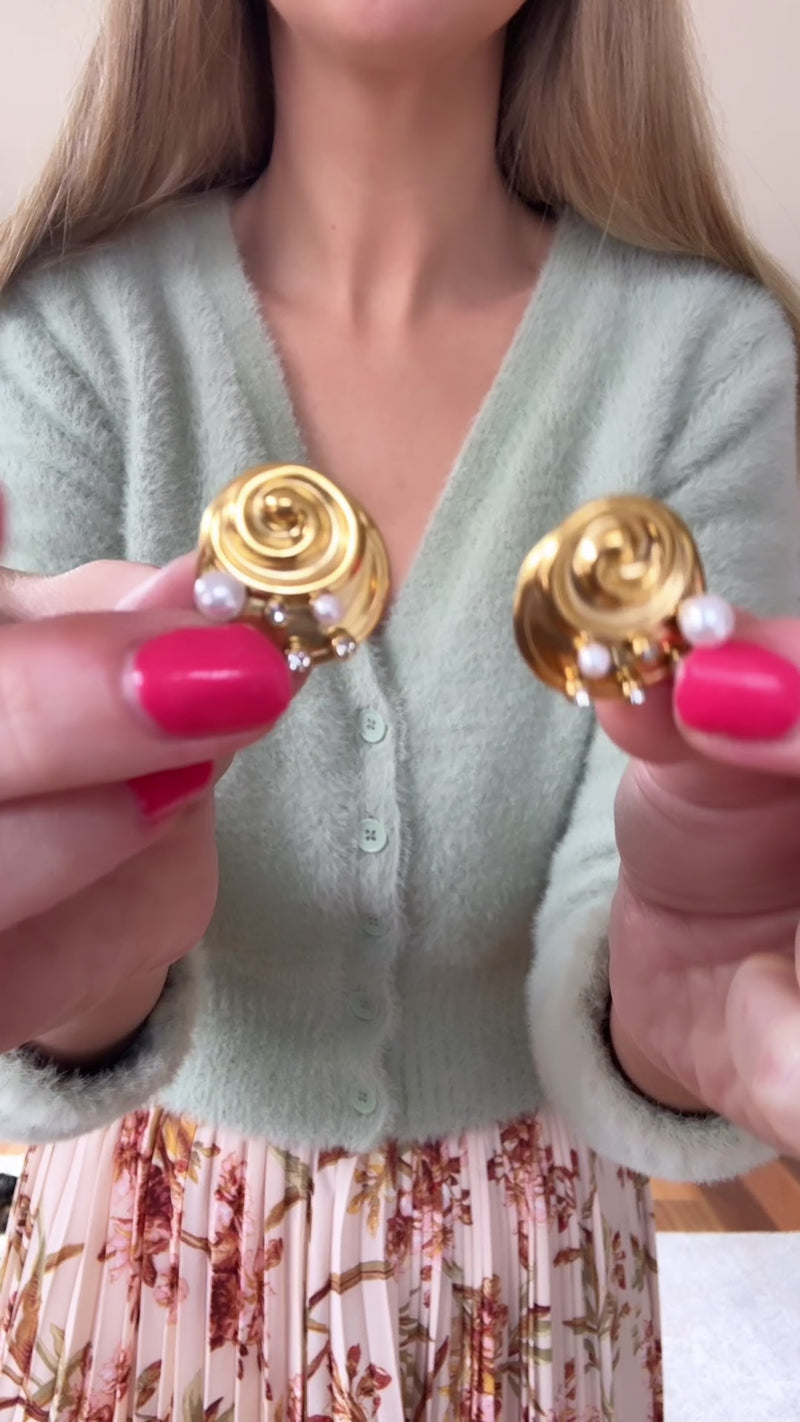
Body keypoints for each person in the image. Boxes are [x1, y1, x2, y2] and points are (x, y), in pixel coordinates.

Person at [0, 0, 798, 1415]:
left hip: (535, 1286)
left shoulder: (708, 356)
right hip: (139, 1262)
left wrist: (690, 1002)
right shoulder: (69, 336)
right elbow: (59, 957)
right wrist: (80, 948)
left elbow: (656, 887)